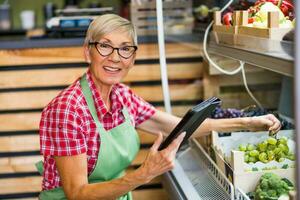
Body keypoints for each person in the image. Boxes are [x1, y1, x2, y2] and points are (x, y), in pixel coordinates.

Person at [37, 14, 281, 200]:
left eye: (125, 49)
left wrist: (247, 123)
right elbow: (77, 194)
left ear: (132, 58)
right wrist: (144, 173)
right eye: (104, 46)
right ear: (87, 52)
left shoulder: (122, 97)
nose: (115, 57)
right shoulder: (68, 110)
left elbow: (181, 127)